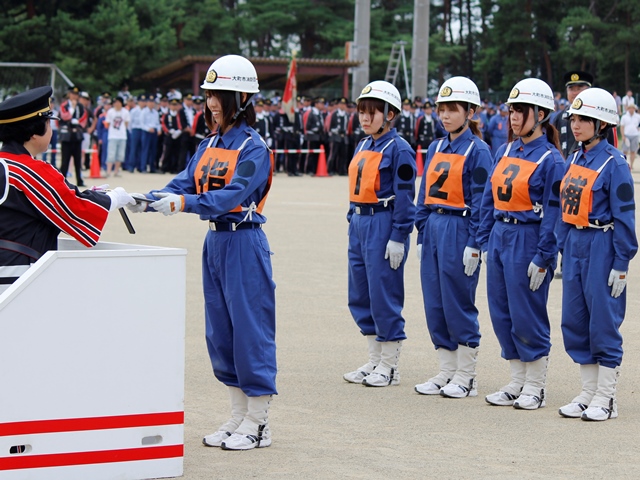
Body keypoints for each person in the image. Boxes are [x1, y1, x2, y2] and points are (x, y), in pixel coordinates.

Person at [127, 55, 276, 451]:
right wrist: (144, 199)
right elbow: (182, 183)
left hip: (244, 240)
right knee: (221, 331)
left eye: (220, 95)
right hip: (216, 242)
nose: (211, 102)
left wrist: (183, 205)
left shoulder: (253, 147)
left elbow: (230, 196)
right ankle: (237, 414)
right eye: (209, 94)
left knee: (250, 329)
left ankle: (258, 421)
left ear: (242, 98)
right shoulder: (209, 143)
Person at [477, 78, 565, 410]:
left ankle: (536, 385)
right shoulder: (504, 150)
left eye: (521, 112)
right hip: (501, 236)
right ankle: (516, 380)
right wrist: (483, 240)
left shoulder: (552, 160)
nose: (513, 118)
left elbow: (553, 214)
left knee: (527, 311)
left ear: (541, 115)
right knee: (501, 311)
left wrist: (544, 255)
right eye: (511, 111)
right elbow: (489, 199)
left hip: (528, 238)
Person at [0, 86, 135, 292]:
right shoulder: (29, 170)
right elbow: (74, 208)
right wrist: (113, 199)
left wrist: (89, 193)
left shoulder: (7, 164)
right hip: (17, 273)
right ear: (35, 132)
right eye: (48, 123)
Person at [557, 88, 637, 421]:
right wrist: (563, 246)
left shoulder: (615, 163)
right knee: (575, 320)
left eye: (583, 119)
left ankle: (606, 397)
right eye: (573, 118)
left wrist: (621, 263)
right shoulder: (574, 157)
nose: (576, 125)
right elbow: (563, 207)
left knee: (602, 319)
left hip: (602, 244)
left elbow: (626, 217)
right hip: (576, 242)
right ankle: (588, 392)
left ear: (602, 124)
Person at [413, 76, 492, 398]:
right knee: (435, 301)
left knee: (458, 300)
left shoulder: (479, 150)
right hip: (434, 225)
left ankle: (466, 374)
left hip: (459, 228)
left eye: (452, 109)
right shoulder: (436, 145)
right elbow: (424, 192)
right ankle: (446, 370)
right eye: (441, 109)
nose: (444, 116)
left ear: (470, 112)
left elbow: (482, 200)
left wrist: (475, 243)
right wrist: (420, 232)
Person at [342, 80, 416, 388]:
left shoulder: (399, 149)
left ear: (390, 115)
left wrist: (399, 234)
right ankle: (374, 358)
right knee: (360, 293)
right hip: (360, 223)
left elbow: (405, 194)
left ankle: (390, 364)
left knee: (384, 292)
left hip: (383, 222)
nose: (365, 118)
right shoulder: (363, 144)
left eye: (373, 112)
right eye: (362, 111)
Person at [58, 86, 88, 186]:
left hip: (77, 135)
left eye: (76, 94)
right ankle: (62, 180)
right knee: (65, 160)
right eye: (73, 94)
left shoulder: (81, 106)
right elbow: (64, 116)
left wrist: (77, 121)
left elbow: (84, 118)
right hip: (67, 135)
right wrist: (72, 110)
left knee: (77, 160)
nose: (74, 96)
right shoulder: (64, 105)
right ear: (69, 94)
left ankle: (79, 179)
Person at [104, 96, 130, 177]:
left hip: (122, 136)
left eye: (118, 102)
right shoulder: (110, 112)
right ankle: (108, 171)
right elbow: (107, 123)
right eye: (115, 102)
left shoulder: (125, 112)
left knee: (120, 154)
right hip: (113, 135)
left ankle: (116, 171)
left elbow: (126, 123)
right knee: (111, 154)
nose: (116, 104)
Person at [619, 103, 640, 169]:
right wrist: (623, 136)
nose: (631, 109)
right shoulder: (624, 117)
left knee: (633, 151)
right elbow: (622, 127)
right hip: (626, 135)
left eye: (633, 108)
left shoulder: (638, 116)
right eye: (630, 108)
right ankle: (624, 164)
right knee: (625, 151)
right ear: (628, 109)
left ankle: (631, 165)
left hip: (635, 135)